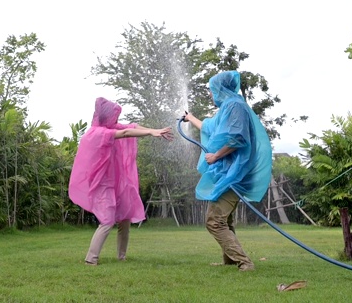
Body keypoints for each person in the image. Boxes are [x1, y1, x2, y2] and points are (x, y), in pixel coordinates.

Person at [183, 70, 272, 272]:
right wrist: (190, 118)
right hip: (229, 173)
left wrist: (215, 156)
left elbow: (238, 138)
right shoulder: (227, 108)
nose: (210, 95)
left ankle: (245, 263)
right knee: (225, 219)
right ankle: (231, 261)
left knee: (214, 221)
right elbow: (209, 127)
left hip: (235, 174)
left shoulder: (235, 107)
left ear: (220, 89)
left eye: (212, 90)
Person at [69, 97, 173, 265]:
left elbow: (132, 127)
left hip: (115, 182)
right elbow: (125, 133)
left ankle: (122, 257)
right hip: (101, 184)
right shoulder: (97, 133)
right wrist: (152, 132)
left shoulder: (108, 127)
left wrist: (156, 130)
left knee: (125, 217)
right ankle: (91, 259)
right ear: (106, 117)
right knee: (107, 220)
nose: (117, 120)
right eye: (114, 117)